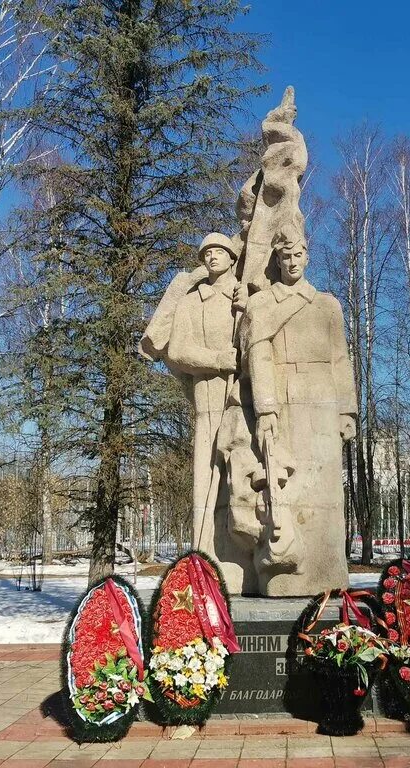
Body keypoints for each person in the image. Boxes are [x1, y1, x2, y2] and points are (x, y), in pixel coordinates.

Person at [240, 224, 357, 596]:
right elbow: (257, 354)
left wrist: (347, 411)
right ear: (276, 259)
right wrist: (266, 408)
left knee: (325, 494)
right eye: (285, 256)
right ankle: (284, 575)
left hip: (323, 400)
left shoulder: (327, 305)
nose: (292, 262)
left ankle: (327, 573)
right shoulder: (262, 303)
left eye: (298, 254)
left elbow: (340, 358)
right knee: (285, 490)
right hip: (284, 399)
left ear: (307, 256)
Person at [165, 232, 251, 591]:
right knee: (206, 476)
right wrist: (217, 360)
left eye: (219, 251)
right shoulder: (190, 302)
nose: (212, 256)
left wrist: (249, 306)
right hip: (207, 400)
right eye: (207, 253)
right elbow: (177, 351)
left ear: (233, 258)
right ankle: (207, 555)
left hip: (244, 399)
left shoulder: (245, 296)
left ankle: (246, 555)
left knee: (243, 477)